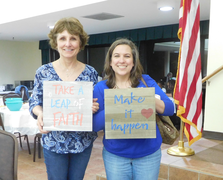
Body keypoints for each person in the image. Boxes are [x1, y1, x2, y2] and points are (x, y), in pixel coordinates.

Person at [93, 38, 174, 180]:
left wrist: (144, 97)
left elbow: (170, 109)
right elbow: (94, 125)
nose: (122, 60)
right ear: (111, 62)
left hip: (148, 154)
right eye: (116, 56)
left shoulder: (146, 81)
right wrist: (116, 104)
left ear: (134, 61)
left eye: (127, 56)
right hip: (115, 155)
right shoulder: (101, 87)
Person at [29, 17, 99, 180]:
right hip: (54, 141)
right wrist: (40, 113)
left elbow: (97, 104)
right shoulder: (43, 72)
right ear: (55, 42)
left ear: (80, 43)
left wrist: (94, 107)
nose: (68, 44)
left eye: (73, 38)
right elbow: (34, 102)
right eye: (63, 38)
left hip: (82, 141)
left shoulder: (91, 73)